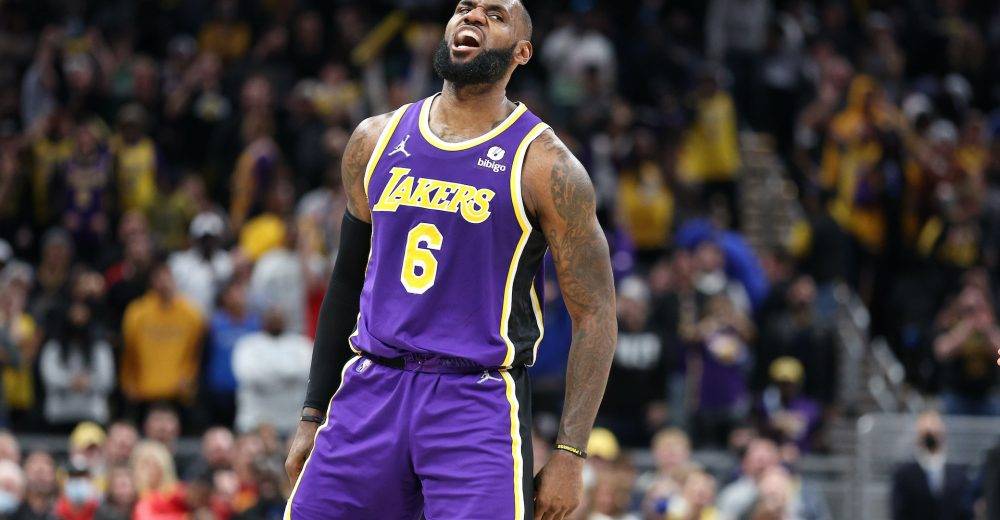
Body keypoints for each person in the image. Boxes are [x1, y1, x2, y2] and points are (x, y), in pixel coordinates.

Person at [284, 1, 617, 518]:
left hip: (475, 401)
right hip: (370, 386)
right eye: (465, 7)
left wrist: (571, 452)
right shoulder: (374, 139)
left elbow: (595, 314)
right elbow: (346, 281)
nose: (474, 17)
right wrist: (312, 412)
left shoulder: (546, 165)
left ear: (522, 53)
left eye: (495, 15)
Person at [120, 260, 204, 417]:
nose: (164, 282)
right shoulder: (137, 312)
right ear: (151, 281)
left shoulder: (192, 313)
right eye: (159, 277)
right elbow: (128, 351)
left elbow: (198, 352)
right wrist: (128, 383)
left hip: (178, 393)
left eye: (167, 276)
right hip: (143, 392)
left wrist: (190, 379)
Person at [232, 308, 311, 435]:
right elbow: (247, 375)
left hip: (293, 423)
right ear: (263, 320)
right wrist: (288, 374)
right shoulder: (247, 344)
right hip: (255, 421)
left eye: (278, 317)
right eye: (271, 317)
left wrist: (267, 371)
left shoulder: (301, 344)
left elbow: (307, 373)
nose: (275, 320)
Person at [39, 302, 115, 426]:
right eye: (74, 316)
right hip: (59, 414)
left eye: (82, 316)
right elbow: (49, 377)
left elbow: (107, 380)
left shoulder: (100, 348)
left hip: (92, 414)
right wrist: (70, 381)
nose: (78, 321)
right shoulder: (53, 347)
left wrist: (88, 382)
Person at [890, 411, 973, 520]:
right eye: (926, 434)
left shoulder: (958, 474)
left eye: (936, 433)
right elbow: (899, 512)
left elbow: (965, 511)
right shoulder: (904, 474)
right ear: (918, 437)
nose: (931, 439)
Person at [168, 211, 233, 317]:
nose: (207, 244)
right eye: (203, 239)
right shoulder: (179, 262)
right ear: (194, 239)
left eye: (211, 239)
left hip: (215, 321)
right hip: (186, 319)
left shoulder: (226, 262)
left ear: (219, 239)